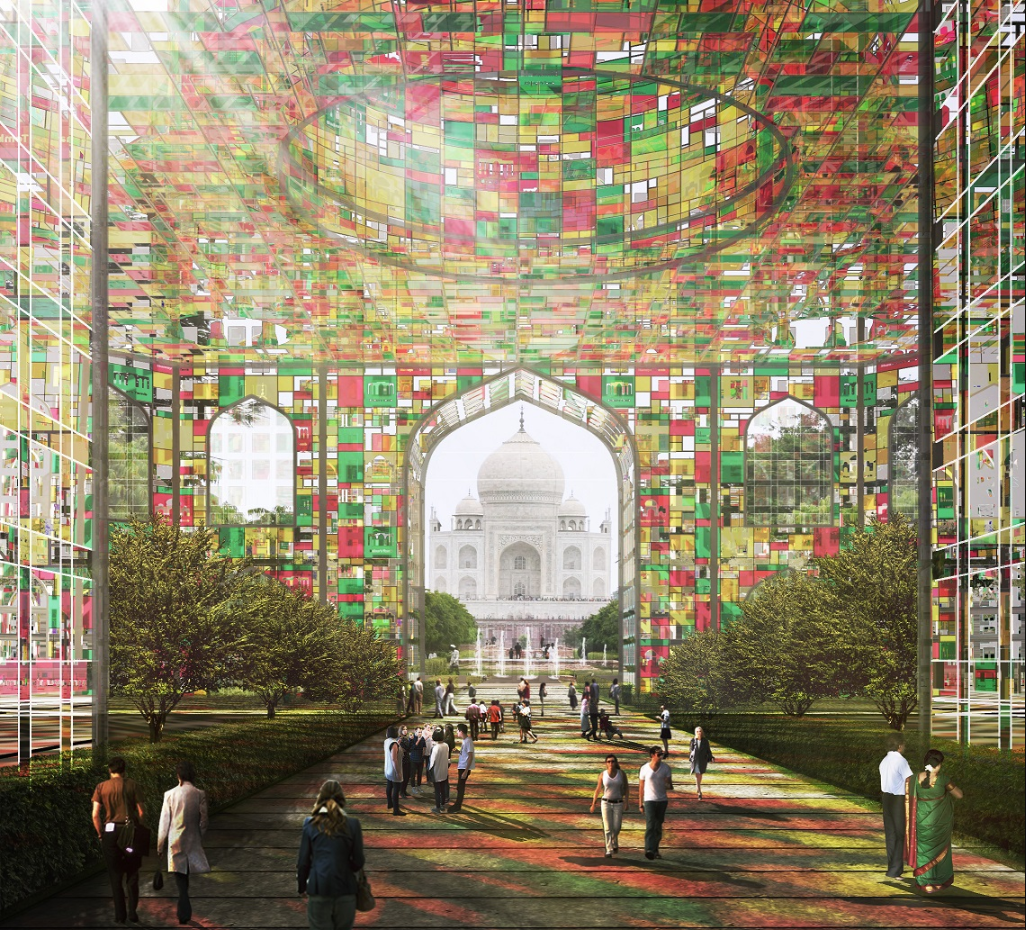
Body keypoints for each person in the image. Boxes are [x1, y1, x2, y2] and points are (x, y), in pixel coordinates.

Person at [296, 780, 365, 930]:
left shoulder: (310, 824)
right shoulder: (353, 824)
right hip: (346, 890)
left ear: (320, 798)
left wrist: (302, 887)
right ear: (342, 799)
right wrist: (346, 867)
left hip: (318, 888)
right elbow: (359, 861)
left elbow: (303, 862)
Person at [91, 755, 145, 925]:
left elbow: (95, 816)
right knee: (132, 873)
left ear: (110, 770)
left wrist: (101, 834)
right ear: (124, 770)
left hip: (110, 833)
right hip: (129, 833)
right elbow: (142, 812)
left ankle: (120, 916)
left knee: (115, 877)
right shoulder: (133, 785)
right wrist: (139, 828)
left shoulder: (101, 787)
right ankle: (132, 913)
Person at [157, 760, 210, 926]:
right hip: (192, 839)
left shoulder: (170, 795)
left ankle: (183, 911)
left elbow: (164, 822)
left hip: (175, 840)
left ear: (178, 776)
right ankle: (184, 910)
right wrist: (199, 835)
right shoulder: (199, 794)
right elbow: (204, 820)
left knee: (180, 876)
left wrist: (160, 844)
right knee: (185, 874)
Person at [905, 748, 962, 893]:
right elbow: (959, 795)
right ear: (939, 764)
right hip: (940, 825)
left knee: (923, 852)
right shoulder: (943, 780)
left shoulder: (913, 780)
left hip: (921, 823)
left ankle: (924, 882)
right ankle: (938, 881)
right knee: (940, 853)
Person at [879, 733, 913, 878]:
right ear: (899, 746)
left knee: (891, 835)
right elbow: (909, 779)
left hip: (886, 798)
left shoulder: (884, 761)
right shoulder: (901, 761)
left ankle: (892, 868)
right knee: (900, 835)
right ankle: (895, 870)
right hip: (898, 799)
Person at [590, 754, 629, 858]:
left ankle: (614, 840)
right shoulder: (603, 774)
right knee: (607, 828)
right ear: (606, 763)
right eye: (609, 761)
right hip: (606, 803)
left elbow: (626, 788)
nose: (611, 763)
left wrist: (626, 802)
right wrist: (593, 803)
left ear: (616, 762)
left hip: (618, 803)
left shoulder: (621, 774)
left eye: (612, 761)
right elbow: (598, 789)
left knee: (617, 827)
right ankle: (609, 849)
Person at [638, 747, 674, 860]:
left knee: (658, 826)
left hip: (662, 800)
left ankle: (655, 849)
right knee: (650, 825)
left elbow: (670, 786)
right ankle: (649, 849)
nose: (661, 756)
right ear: (652, 755)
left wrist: (667, 784)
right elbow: (641, 787)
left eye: (662, 754)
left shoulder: (666, 768)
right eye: (659, 754)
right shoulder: (644, 769)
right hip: (649, 800)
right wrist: (640, 803)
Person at [448, 723, 475, 813]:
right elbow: (466, 754)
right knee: (459, 787)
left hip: (464, 768)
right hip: (462, 766)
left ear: (461, 731)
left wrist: (466, 771)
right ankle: (457, 804)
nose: (456, 732)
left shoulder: (468, 741)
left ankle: (457, 805)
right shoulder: (465, 741)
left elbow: (470, 756)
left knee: (460, 787)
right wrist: (459, 752)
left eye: (457, 730)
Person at [382, 726, 406, 817]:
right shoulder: (394, 744)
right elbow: (394, 759)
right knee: (396, 789)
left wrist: (397, 744)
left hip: (387, 768)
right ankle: (396, 810)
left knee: (389, 785)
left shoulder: (387, 741)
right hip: (394, 769)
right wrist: (398, 772)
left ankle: (390, 803)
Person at [688, 726, 714, 799]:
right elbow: (691, 750)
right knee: (697, 774)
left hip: (702, 760)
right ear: (695, 732)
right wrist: (691, 757)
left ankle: (698, 787)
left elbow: (708, 750)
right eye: (697, 731)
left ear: (702, 732)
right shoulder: (693, 740)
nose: (699, 733)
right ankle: (699, 791)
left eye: (700, 731)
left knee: (700, 774)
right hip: (695, 760)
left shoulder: (705, 741)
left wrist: (711, 757)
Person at [429, 727, 451, 813]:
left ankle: (437, 807)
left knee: (437, 790)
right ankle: (442, 805)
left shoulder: (436, 748)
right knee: (443, 789)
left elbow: (432, 762)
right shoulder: (446, 746)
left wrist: (429, 771)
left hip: (436, 771)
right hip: (444, 770)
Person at [409, 726, 426, 795]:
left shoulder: (422, 738)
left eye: (421, 732)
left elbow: (424, 746)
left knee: (420, 774)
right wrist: (418, 741)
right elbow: (411, 748)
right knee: (413, 774)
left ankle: (419, 786)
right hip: (413, 759)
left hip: (420, 759)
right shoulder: (412, 738)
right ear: (415, 731)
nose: (420, 733)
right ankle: (413, 787)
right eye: (419, 732)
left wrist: (423, 754)